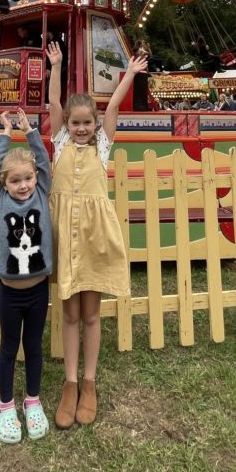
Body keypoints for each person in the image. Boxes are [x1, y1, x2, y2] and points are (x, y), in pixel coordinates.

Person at [47, 41, 148, 428]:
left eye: (87, 122)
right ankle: (69, 383)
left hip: (93, 236)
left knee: (91, 313)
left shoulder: (102, 146)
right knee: (68, 312)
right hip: (64, 235)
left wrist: (131, 75)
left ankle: (89, 382)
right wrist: (56, 66)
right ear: (67, 125)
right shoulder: (58, 144)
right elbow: (54, 103)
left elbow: (114, 107)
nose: (83, 128)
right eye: (76, 123)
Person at [0, 107, 53, 443]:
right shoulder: (0, 198)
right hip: (10, 292)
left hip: (39, 290)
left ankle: (32, 400)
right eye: (15, 180)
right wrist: (4, 134)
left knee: (34, 345)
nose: (24, 185)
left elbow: (42, 162)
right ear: (3, 184)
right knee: (9, 347)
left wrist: (30, 132)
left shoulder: (41, 192)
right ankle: (5, 405)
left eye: (27, 178)